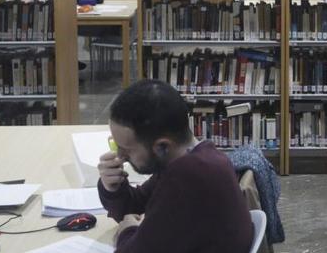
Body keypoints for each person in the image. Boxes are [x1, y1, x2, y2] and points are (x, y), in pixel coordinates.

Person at [97, 80, 253, 253]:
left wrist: (127, 231)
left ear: (162, 146)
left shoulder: (190, 177)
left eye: (127, 150)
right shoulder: (190, 158)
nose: (120, 156)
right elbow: (137, 203)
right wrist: (112, 187)